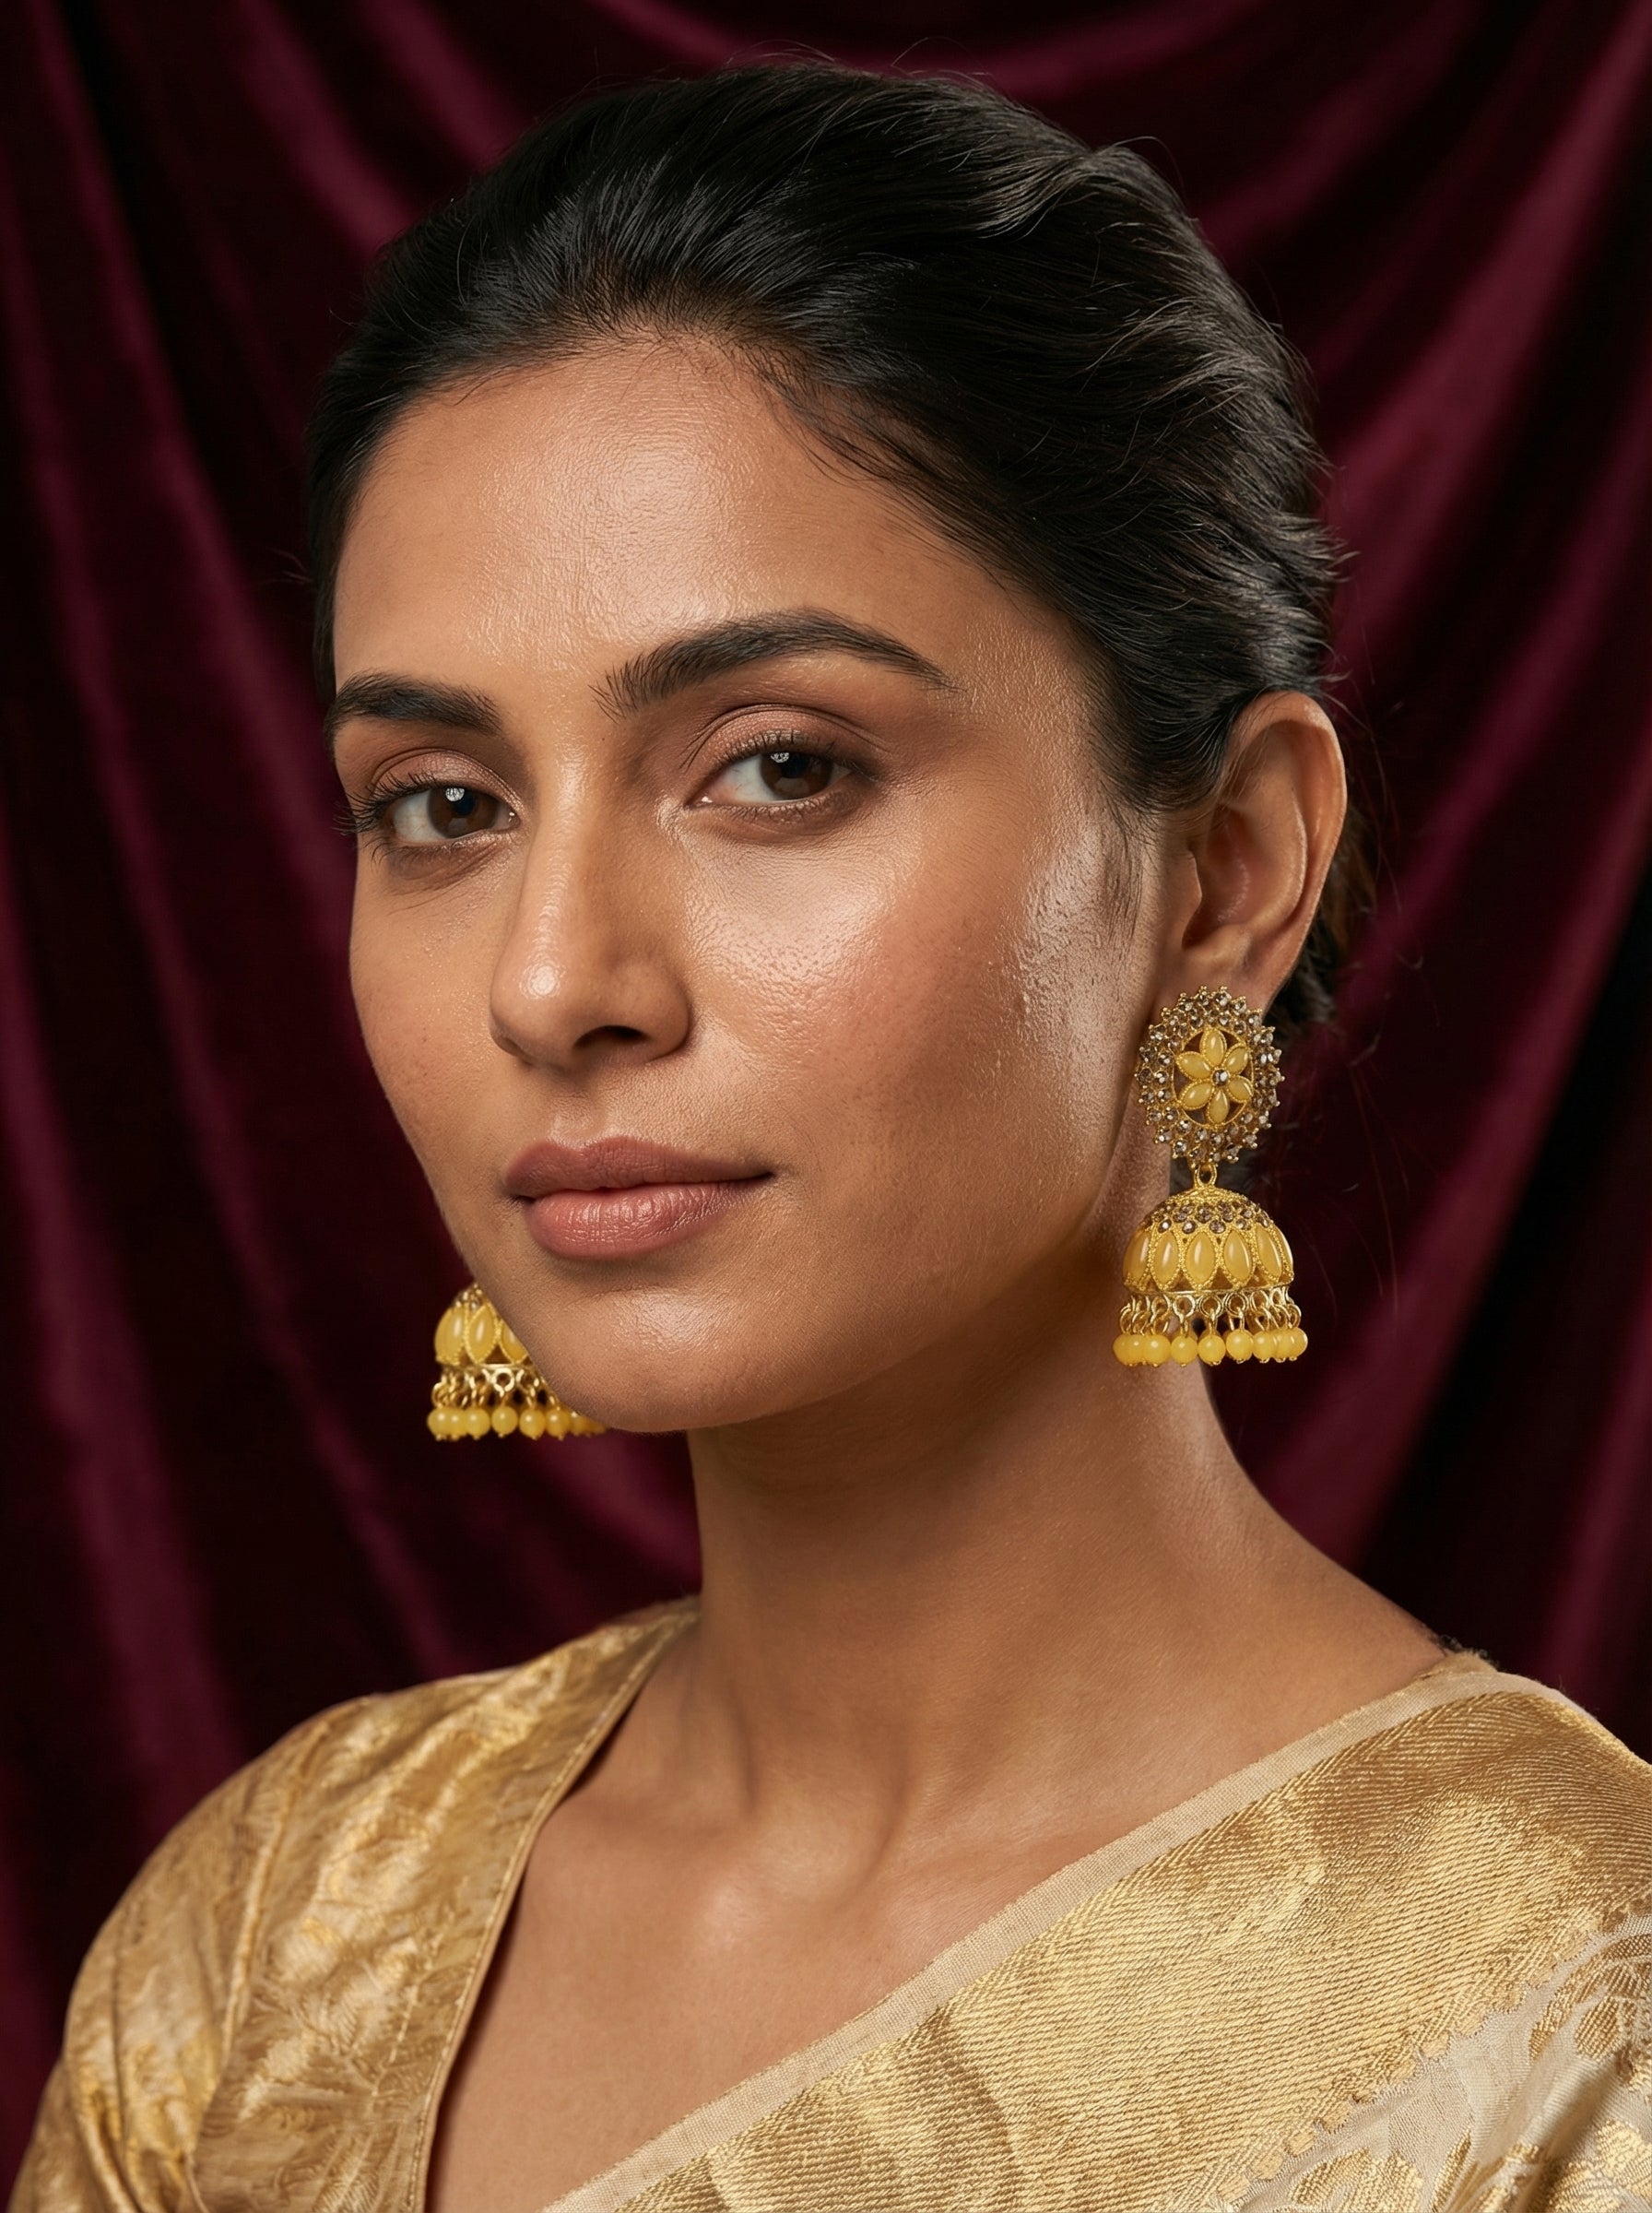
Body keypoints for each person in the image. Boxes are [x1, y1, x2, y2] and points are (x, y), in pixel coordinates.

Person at [13, 62, 1649, 2213]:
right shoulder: (276, 1935)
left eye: (776, 769)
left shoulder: (1564, 2025)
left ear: (1226, 871)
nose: (550, 978)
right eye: (443, 804)